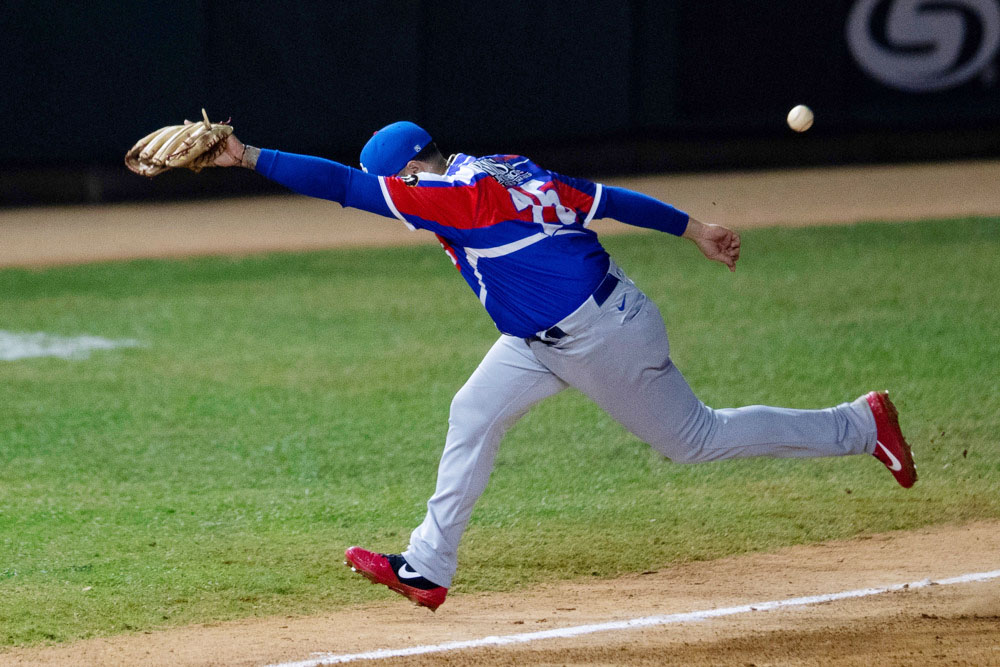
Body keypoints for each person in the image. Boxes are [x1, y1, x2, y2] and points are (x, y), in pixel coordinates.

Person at [210, 121, 917, 611]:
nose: (393, 202)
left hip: (602, 333)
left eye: (391, 187)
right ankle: (428, 566)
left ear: (409, 173)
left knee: (695, 438)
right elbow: (604, 200)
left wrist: (247, 158)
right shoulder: (504, 169)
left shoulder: (456, 195)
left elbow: (344, 186)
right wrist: (695, 228)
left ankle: (859, 424)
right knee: (473, 411)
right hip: (543, 335)